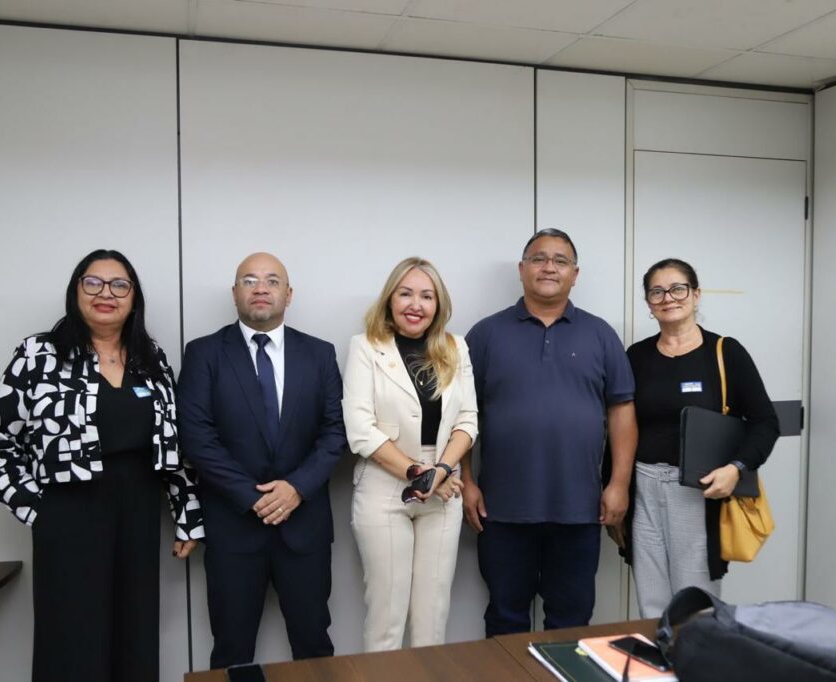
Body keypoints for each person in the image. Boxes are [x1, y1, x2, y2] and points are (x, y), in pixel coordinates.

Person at [0, 249, 203, 682]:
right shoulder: (39, 354)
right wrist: (38, 509)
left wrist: (187, 515)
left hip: (137, 511)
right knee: (73, 638)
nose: (106, 294)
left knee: (135, 634)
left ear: (133, 299)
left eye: (120, 285)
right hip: (69, 513)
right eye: (93, 283)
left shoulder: (150, 359)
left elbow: (176, 441)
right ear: (75, 291)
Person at [461, 228, 638, 636]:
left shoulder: (600, 335)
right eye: (539, 258)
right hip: (501, 510)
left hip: (579, 508)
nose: (549, 267)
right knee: (505, 619)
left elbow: (622, 410)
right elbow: (462, 416)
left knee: (571, 623)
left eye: (560, 260)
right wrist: (466, 480)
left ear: (575, 274)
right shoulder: (485, 335)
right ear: (522, 270)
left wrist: (619, 484)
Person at [177, 252, 345, 667]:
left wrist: (296, 489)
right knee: (232, 649)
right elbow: (197, 438)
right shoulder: (204, 353)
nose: (261, 288)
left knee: (313, 645)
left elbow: (335, 432)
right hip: (233, 528)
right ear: (235, 293)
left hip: (304, 527)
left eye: (272, 280)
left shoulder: (320, 354)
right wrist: (252, 497)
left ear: (288, 294)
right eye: (249, 280)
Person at [624, 258, 780, 617]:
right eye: (657, 291)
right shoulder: (637, 356)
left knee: (695, 603)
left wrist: (737, 468)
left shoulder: (725, 352)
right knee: (651, 602)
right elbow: (622, 425)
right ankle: (661, 669)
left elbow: (764, 421)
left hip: (698, 491)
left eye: (678, 288)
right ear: (648, 304)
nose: (668, 298)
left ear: (696, 295)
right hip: (644, 487)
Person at [342, 257, 477, 652]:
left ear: (438, 304)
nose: (415, 304)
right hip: (386, 483)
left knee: (432, 617)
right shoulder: (365, 347)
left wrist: (441, 469)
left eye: (426, 295)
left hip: (444, 483)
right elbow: (359, 427)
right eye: (405, 293)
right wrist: (420, 472)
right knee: (386, 618)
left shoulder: (456, 347)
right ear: (390, 300)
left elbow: (467, 419)